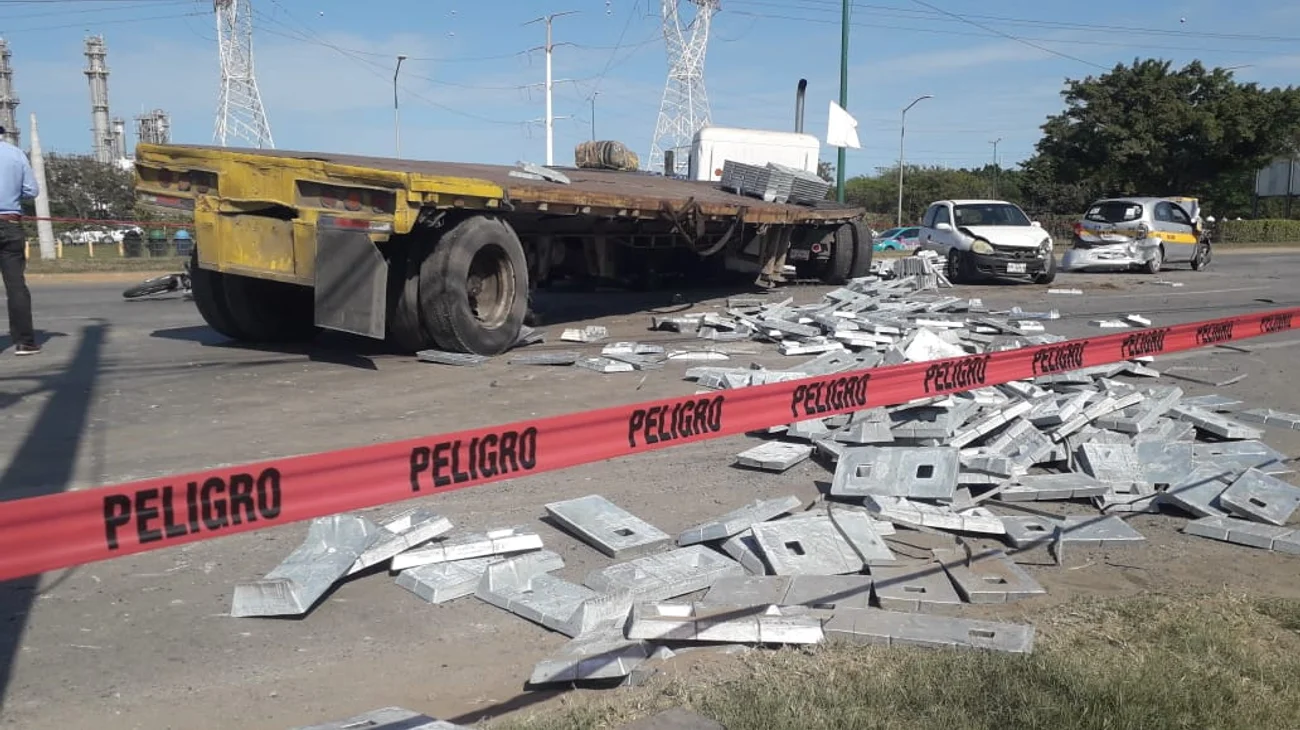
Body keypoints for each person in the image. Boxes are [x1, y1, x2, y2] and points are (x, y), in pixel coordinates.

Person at [0, 124, 39, 355]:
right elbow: (32, 191)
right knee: (15, 286)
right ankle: (25, 341)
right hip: (10, 223)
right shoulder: (15, 154)